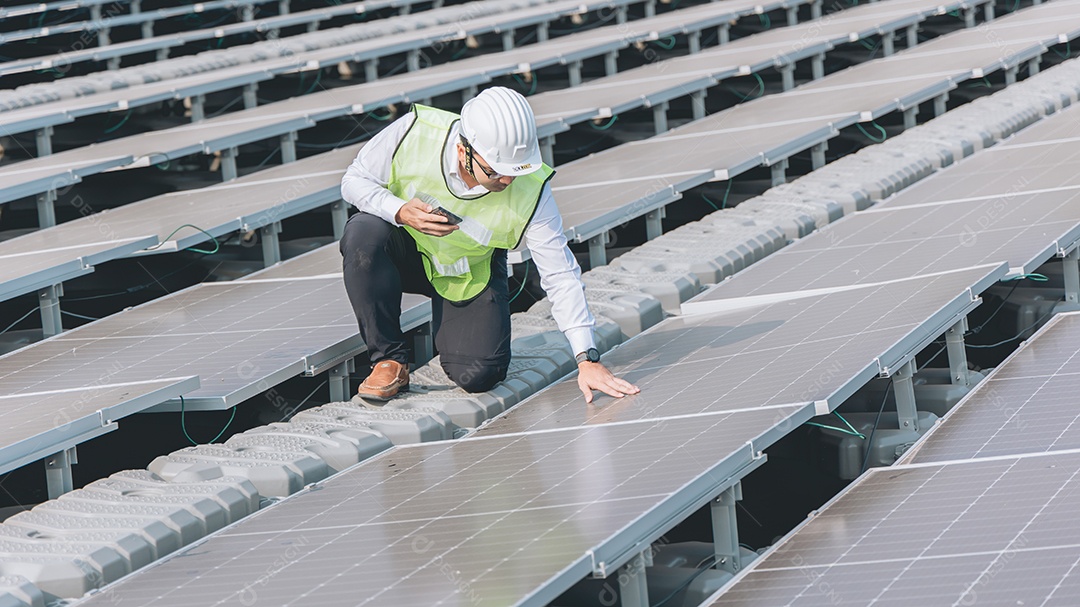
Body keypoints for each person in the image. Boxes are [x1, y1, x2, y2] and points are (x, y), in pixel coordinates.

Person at [339, 86, 639, 404]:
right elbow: (353, 179)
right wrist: (397, 211)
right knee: (363, 233)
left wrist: (587, 358)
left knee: (480, 374)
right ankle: (389, 359)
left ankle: (461, 324)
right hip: (405, 255)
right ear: (462, 150)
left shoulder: (531, 190)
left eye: (516, 170)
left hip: (467, 271)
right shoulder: (415, 131)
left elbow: (560, 273)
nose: (508, 181)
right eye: (497, 170)